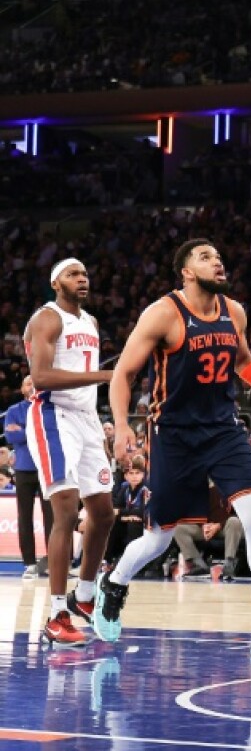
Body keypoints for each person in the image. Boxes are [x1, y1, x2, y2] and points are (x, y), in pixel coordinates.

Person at [93, 239, 251, 659]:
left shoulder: (234, 311)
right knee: (159, 537)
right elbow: (124, 373)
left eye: (219, 256)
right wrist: (121, 425)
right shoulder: (163, 313)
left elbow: (243, 360)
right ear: (186, 272)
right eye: (205, 257)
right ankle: (114, 583)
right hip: (174, 435)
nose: (217, 261)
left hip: (223, 429)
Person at [24, 258, 116, 645]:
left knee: (104, 513)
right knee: (65, 509)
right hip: (53, 416)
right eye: (72, 274)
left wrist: (101, 429)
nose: (82, 279)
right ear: (55, 282)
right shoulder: (46, 318)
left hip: (86, 419)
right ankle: (57, 614)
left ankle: (85, 595)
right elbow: (41, 376)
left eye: (85, 274)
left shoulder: (90, 322)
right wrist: (105, 375)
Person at [5, 375, 53, 580]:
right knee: (24, 517)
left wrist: (23, 430)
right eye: (27, 383)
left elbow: (50, 434)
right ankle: (30, 564)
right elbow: (11, 436)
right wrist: (35, 432)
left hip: (46, 467)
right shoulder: (14, 410)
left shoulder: (49, 407)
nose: (32, 385)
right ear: (22, 388)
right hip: (24, 469)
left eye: (35, 382)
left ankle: (53, 563)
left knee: (52, 517)